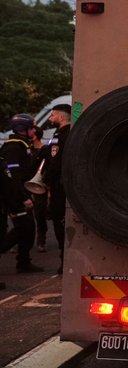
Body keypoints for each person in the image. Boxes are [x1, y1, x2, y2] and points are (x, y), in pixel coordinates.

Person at [1, 114, 43, 273]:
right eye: (31, 128)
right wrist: (22, 198)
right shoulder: (13, 147)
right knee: (23, 228)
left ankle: (24, 261)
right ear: (22, 129)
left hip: (21, 193)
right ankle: (19, 259)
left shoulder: (23, 145)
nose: (34, 130)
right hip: (15, 196)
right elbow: (14, 177)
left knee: (28, 228)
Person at [40, 103, 71, 274]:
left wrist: (45, 178)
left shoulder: (60, 135)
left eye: (52, 116)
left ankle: (64, 262)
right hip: (68, 183)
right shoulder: (74, 132)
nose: (50, 119)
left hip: (59, 185)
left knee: (59, 222)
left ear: (60, 117)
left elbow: (55, 160)